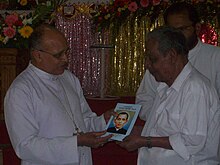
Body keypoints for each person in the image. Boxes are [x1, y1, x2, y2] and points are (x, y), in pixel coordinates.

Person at [4, 24, 115, 165]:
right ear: (38, 55)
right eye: (58, 55)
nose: (65, 59)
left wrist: (103, 121)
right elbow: (25, 147)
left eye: (66, 52)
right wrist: (76, 142)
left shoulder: (69, 79)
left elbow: (83, 122)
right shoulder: (21, 90)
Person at [118, 26, 220, 165]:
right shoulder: (165, 87)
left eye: (153, 59)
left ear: (172, 56)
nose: (147, 65)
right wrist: (139, 131)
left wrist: (145, 141)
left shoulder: (195, 88)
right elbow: (168, 130)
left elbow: (192, 141)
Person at [136, 2, 220, 121]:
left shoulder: (215, 57)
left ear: (197, 28)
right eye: (171, 31)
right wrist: (166, 120)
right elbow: (144, 101)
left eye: (182, 29)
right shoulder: (158, 61)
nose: (177, 36)